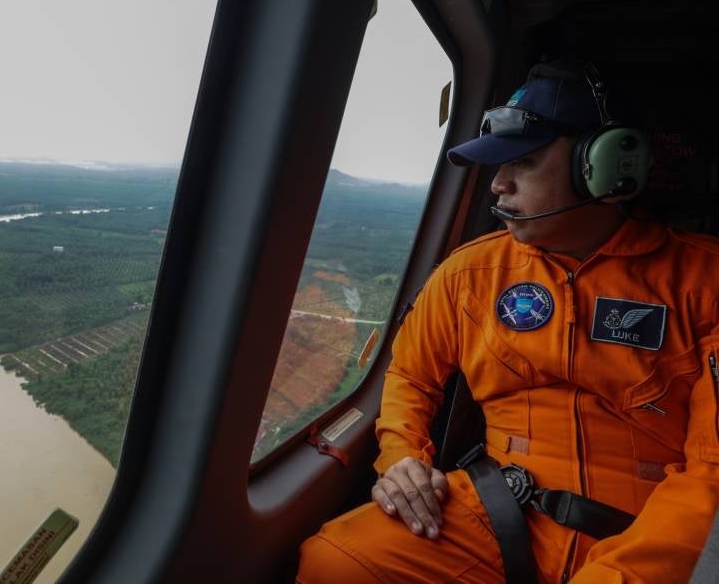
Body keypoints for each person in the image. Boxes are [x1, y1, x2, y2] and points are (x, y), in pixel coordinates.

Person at [296, 61, 719, 583]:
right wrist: (402, 456)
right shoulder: (470, 273)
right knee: (334, 562)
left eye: (524, 162)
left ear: (602, 166)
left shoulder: (705, 281)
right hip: (500, 508)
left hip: (654, 523)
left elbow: (712, 474)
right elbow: (410, 375)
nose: (498, 184)